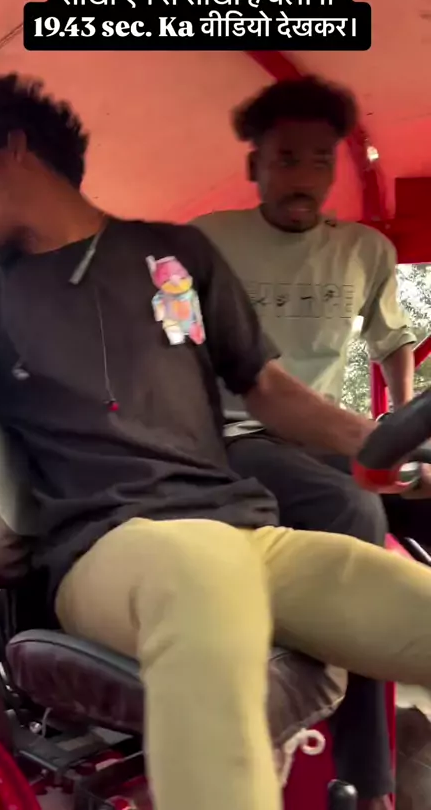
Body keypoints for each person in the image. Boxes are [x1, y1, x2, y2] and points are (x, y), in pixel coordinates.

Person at [0, 75, 431, 810]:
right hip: (109, 549)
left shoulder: (176, 253)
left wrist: (383, 447)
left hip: (248, 535)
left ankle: (371, 784)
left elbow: (267, 388)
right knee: (202, 566)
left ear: (13, 151)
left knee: (393, 589)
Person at [191, 76, 430, 808]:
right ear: (255, 166)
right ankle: (367, 777)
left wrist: (403, 423)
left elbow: (392, 338)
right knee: (353, 510)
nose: (303, 175)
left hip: (326, 429)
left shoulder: (364, 250)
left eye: (320, 159)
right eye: (285, 158)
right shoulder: (206, 241)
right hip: (236, 435)